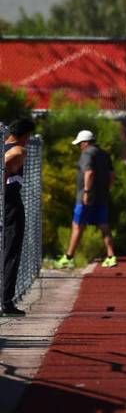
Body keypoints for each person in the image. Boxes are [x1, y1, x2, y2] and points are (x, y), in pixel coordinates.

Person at [55, 130, 118, 269]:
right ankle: (111, 256)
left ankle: (69, 257)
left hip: (86, 197)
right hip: (102, 196)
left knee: (77, 225)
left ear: (85, 143)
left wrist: (87, 192)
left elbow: (89, 173)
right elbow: (112, 175)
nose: (80, 147)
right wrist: (106, 189)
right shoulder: (104, 154)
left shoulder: (87, 153)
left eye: (80, 144)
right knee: (104, 226)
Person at [2, 118, 36, 317]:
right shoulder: (19, 150)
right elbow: (9, 161)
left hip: (6, 203)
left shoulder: (4, 145)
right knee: (11, 251)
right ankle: (5, 301)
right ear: (25, 135)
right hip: (10, 204)